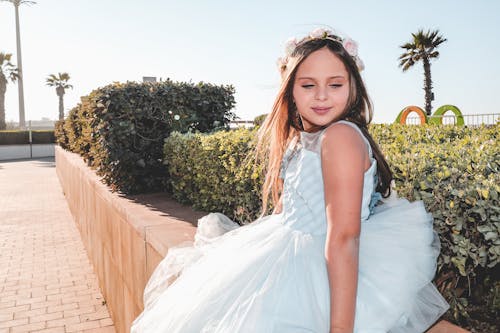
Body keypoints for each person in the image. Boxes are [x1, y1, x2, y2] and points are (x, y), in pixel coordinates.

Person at [131, 27, 467, 333]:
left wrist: (340, 330)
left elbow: (344, 238)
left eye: (335, 84)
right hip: (284, 251)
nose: (321, 95)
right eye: (308, 85)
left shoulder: (340, 138)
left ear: (353, 87)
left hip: (320, 269)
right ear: (291, 89)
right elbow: (287, 208)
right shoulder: (300, 139)